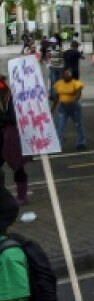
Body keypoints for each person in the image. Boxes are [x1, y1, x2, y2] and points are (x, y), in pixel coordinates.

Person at [0, 76, 31, 207]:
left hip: (9, 135)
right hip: (4, 133)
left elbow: (13, 117)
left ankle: (22, 196)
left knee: (17, 166)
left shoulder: (10, 99)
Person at [52, 67, 87, 150]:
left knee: (78, 124)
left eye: (69, 73)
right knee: (60, 125)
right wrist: (52, 108)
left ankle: (81, 142)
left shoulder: (76, 83)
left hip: (73, 106)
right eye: (65, 73)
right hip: (63, 106)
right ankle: (57, 143)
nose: (67, 75)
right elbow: (57, 97)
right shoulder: (59, 84)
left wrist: (73, 101)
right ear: (62, 75)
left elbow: (78, 94)